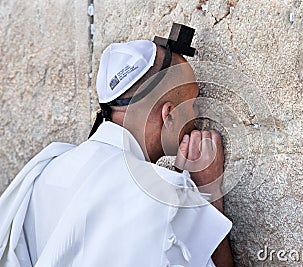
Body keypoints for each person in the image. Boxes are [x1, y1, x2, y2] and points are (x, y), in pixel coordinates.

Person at [0, 30, 234, 266]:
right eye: (193, 104)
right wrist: (206, 194)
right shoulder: (159, 197)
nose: (198, 114)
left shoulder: (45, 171)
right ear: (169, 114)